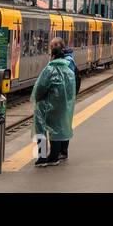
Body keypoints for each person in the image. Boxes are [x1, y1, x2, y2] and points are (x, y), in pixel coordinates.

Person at [32, 37, 76, 166]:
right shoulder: (69, 71)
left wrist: (38, 98)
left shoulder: (49, 69)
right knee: (57, 130)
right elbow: (70, 89)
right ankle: (54, 157)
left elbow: (40, 88)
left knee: (41, 129)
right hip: (62, 106)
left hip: (46, 105)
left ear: (53, 56)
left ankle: (42, 157)